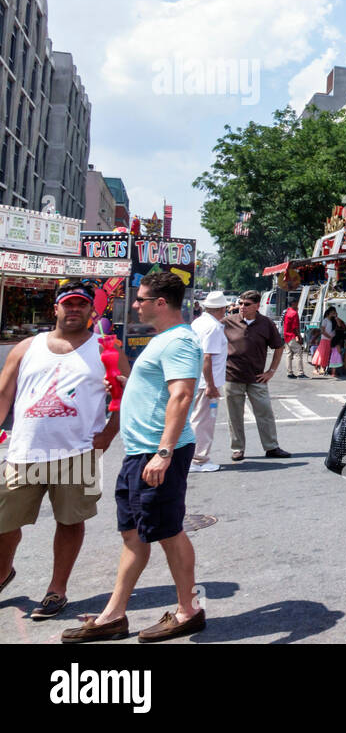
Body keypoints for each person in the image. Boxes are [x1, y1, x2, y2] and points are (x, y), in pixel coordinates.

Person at [61, 271, 205, 642]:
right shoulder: (163, 340)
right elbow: (162, 388)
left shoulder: (179, 342)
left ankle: (189, 610)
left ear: (160, 303)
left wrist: (163, 453)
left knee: (169, 531)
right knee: (133, 535)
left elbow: (182, 396)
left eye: (140, 299)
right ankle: (114, 614)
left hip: (157, 454)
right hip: (138, 452)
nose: (135, 304)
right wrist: (131, 384)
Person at [0, 280, 116, 621]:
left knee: (70, 521)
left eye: (82, 304)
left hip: (78, 452)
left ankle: (56, 590)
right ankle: (3, 573)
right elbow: (4, 394)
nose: (75, 309)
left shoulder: (106, 347)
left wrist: (109, 434)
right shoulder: (26, 347)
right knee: (4, 522)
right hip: (24, 451)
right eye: (69, 304)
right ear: (56, 309)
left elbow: (126, 394)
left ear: (92, 310)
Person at [222, 290, 289, 460]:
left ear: (257, 306)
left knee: (265, 412)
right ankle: (237, 448)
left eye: (247, 304)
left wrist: (271, 371)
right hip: (232, 377)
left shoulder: (266, 324)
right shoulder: (228, 322)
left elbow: (278, 347)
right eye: (241, 303)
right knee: (234, 415)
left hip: (257, 378)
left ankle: (271, 447)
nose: (242, 307)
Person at [188, 292, 228, 473]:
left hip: (196, 379)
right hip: (206, 383)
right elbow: (207, 358)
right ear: (221, 309)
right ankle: (198, 459)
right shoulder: (213, 327)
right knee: (203, 422)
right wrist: (211, 385)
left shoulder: (198, 323)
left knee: (194, 419)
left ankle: (193, 457)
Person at [313, 307, 338, 376]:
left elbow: (338, 326)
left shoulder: (333, 321)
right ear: (329, 312)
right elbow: (322, 331)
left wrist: (336, 318)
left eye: (334, 312)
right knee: (321, 353)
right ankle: (315, 368)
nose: (334, 313)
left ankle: (322, 368)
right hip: (325, 339)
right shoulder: (325, 320)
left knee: (326, 354)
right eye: (333, 312)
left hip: (330, 340)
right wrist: (330, 337)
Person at [282, 302, 304, 378]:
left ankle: (289, 373)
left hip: (286, 335)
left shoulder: (286, 311)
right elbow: (295, 327)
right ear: (294, 304)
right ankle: (300, 373)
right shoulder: (294, 313)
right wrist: (299, 336)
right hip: (292, 335)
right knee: (298, 354)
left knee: (288, 354)